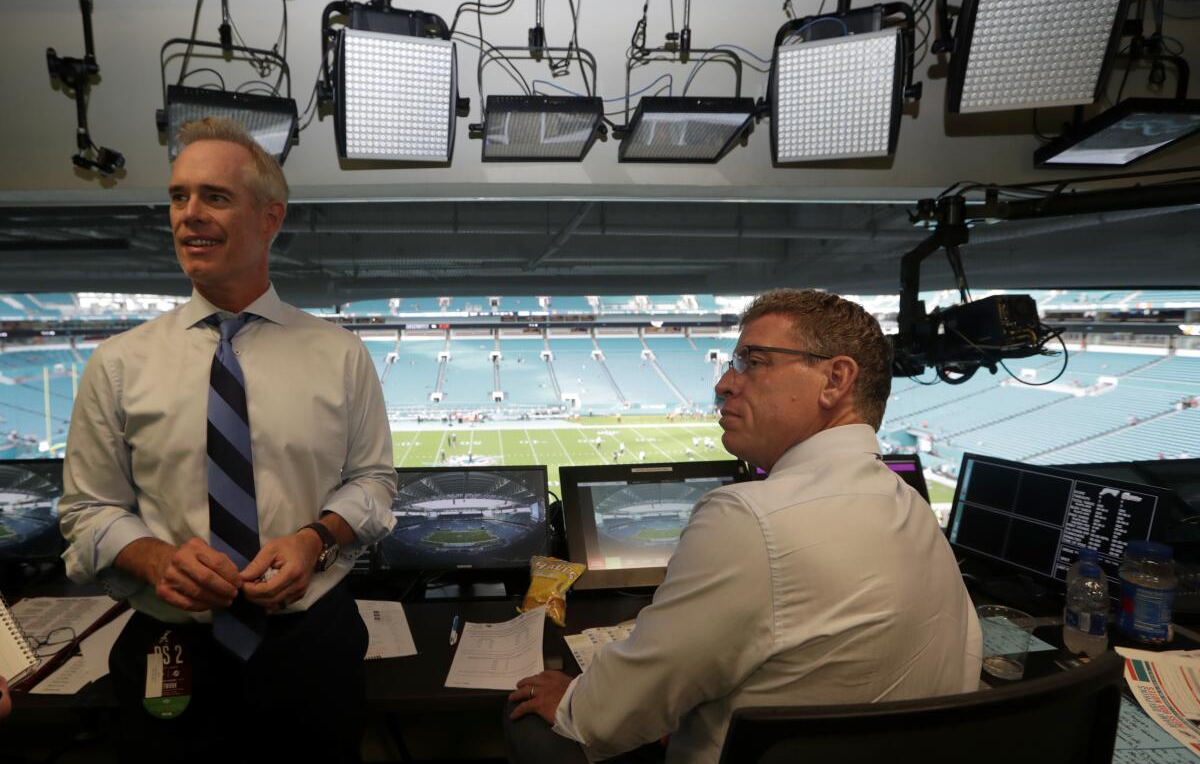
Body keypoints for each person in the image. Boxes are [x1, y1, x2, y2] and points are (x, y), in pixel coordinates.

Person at [505, 289, 980, 764]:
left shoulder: (749, 517)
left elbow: (609, 715)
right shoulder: (914, 509)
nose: (725, 383)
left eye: (753, 361)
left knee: (534, 728)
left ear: (835, 379)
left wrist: (573, 702)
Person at [58, 118, 397, 763]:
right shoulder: (118, 363)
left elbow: (374, 483)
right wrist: (155, 559)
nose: (189, 215)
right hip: (171, 646)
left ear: (270, 219)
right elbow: (86, 512)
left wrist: (313, 539)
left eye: (214, 197)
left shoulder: (340, 355)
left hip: (311, 646)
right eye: (178, 196)